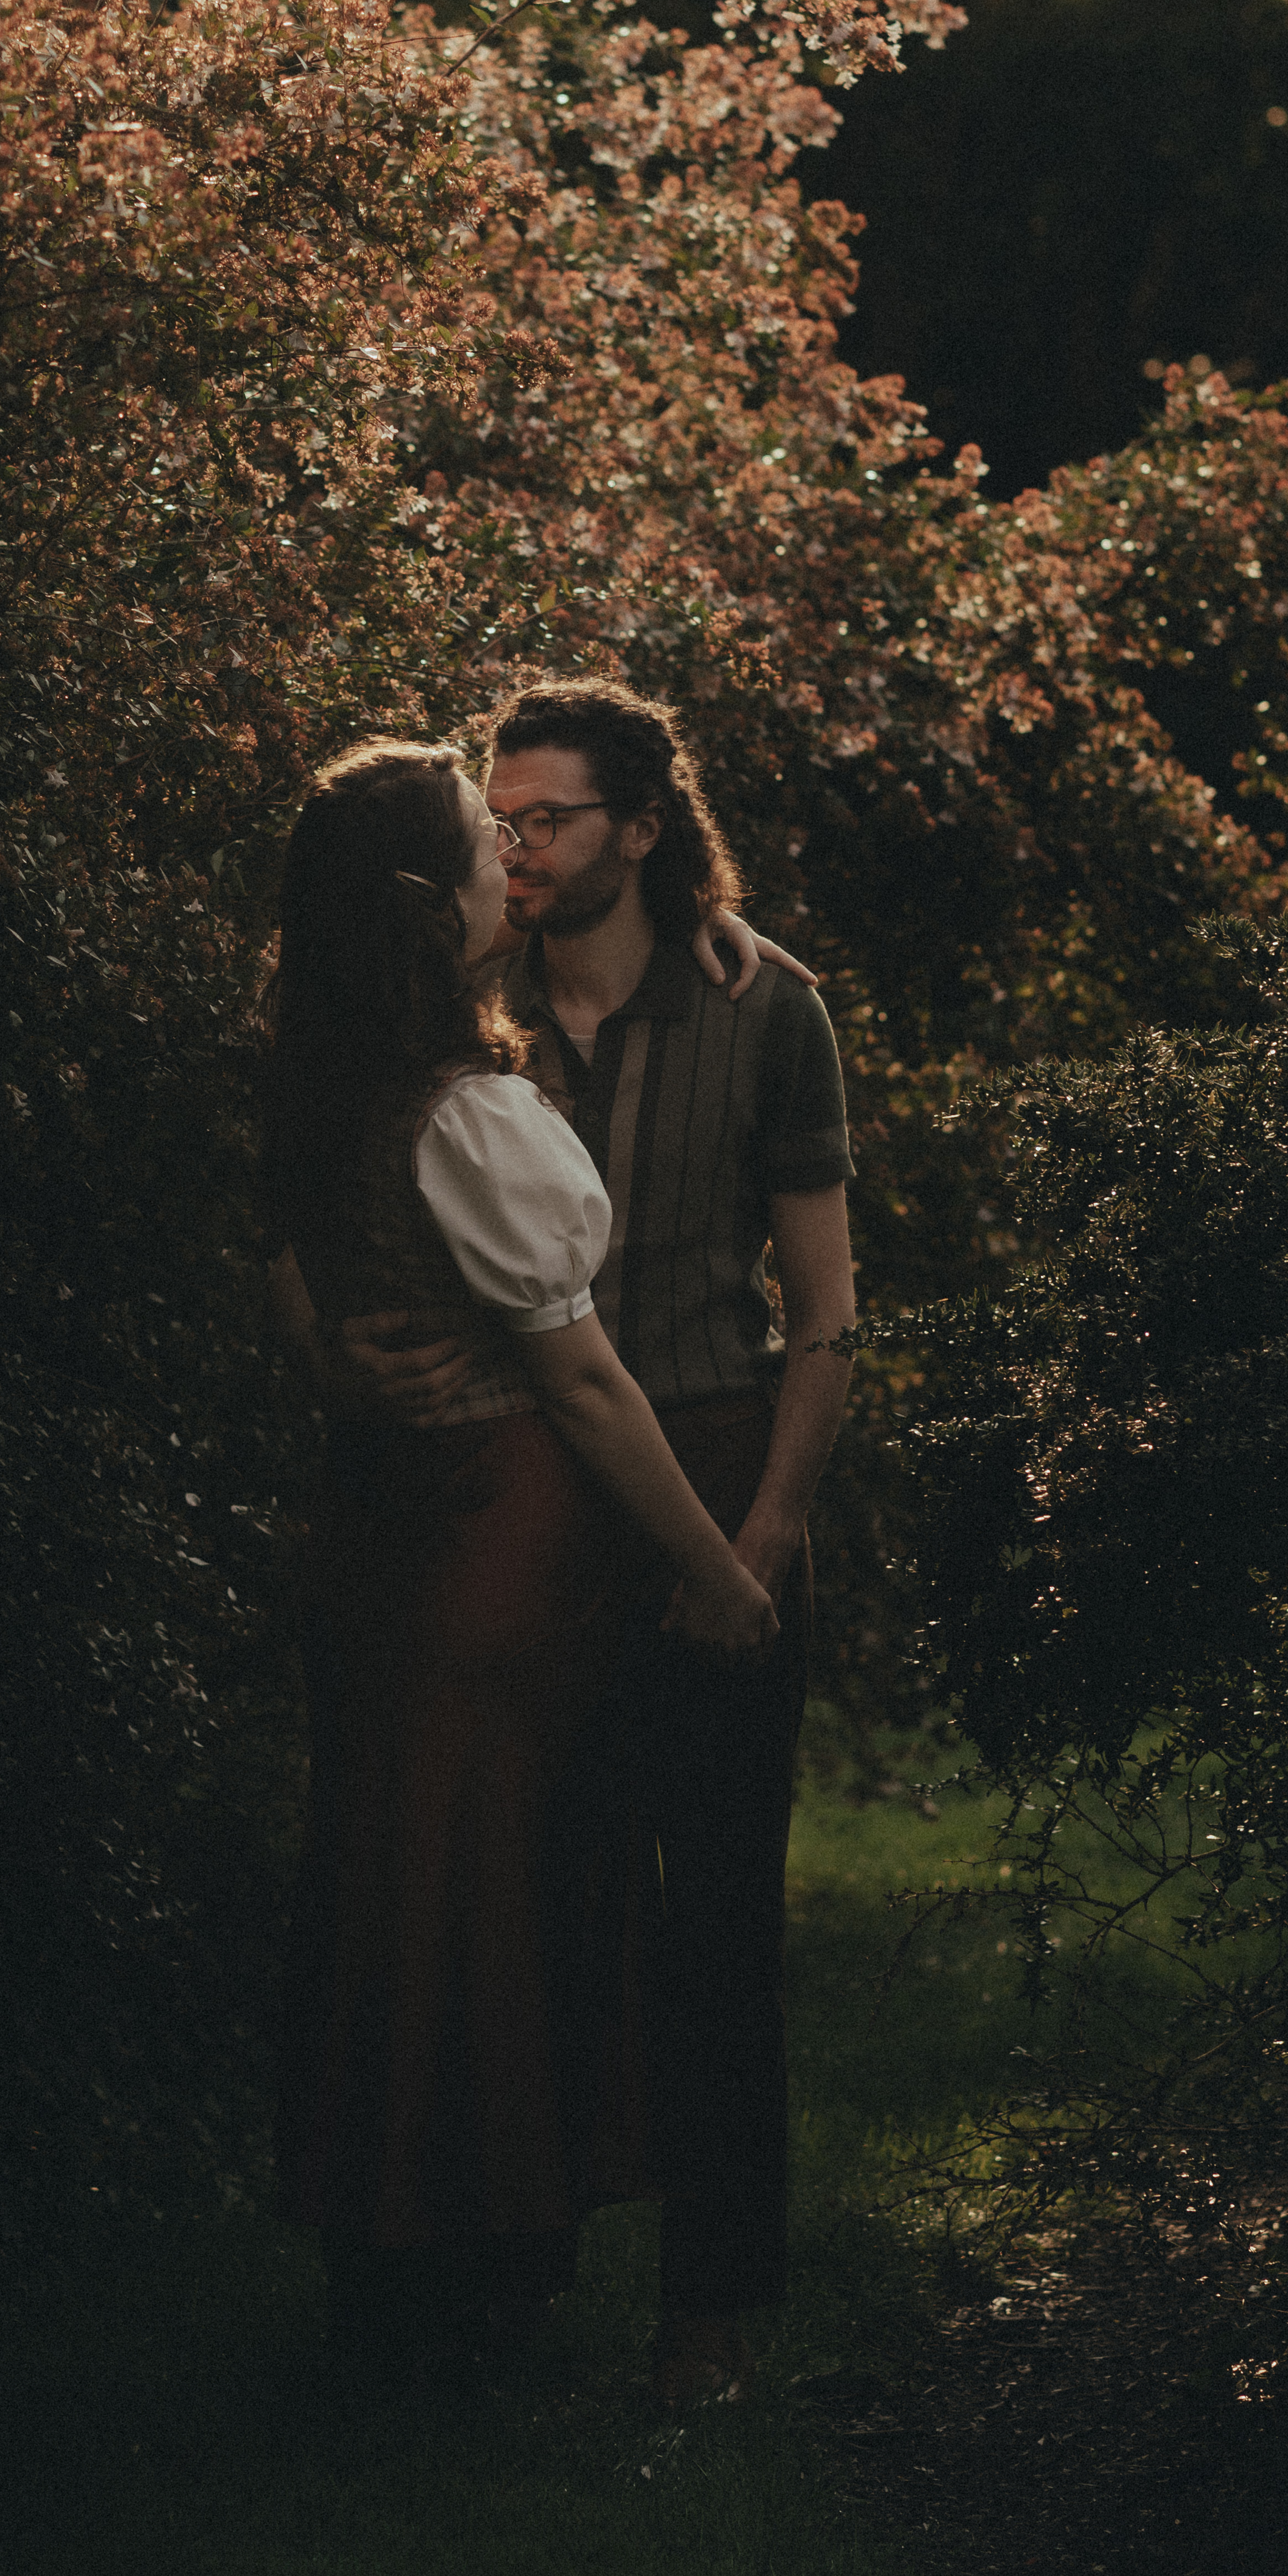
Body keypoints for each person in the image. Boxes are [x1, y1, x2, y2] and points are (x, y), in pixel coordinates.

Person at [336, 683, 855, 2416]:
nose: (521, 847)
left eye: (551, 818)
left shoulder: (765, 1007)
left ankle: (710, 2310)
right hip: (536, 1492)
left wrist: (766, 1532)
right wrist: (355, 1352)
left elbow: (826, 1312)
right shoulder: (465, 1012)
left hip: (711, 1465)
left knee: (717, 1917)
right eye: (501, 822)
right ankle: (514, 2273)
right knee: (543, 1890)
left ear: (644, 826)